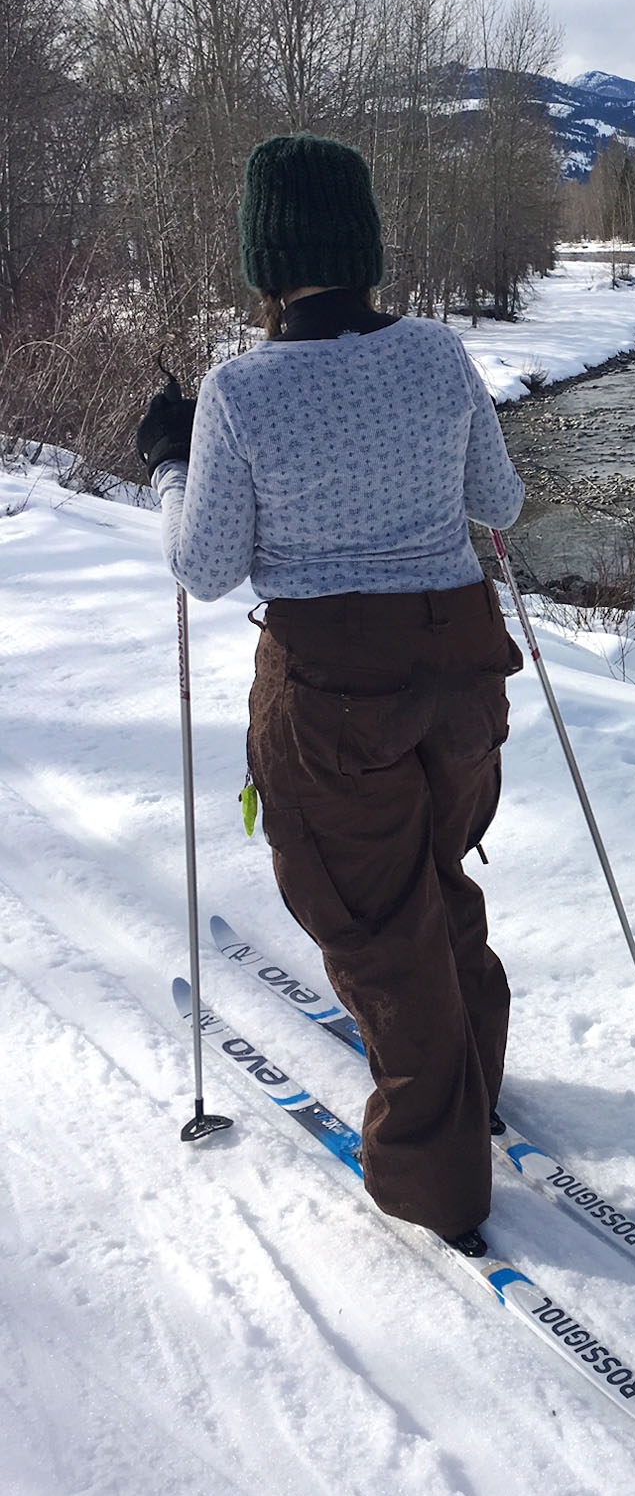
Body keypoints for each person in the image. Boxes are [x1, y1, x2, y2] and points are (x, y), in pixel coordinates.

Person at [136, 133, 525, 1258]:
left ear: (267, 259)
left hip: (331, 692)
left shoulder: (241, 391)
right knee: (433, 875)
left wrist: (168, 463)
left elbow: (204, 566)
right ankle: (473, 1081)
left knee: (372, 922)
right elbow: (498, 501)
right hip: (462, 672)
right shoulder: (440, 356)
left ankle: (439, 1179)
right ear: (365, 245)